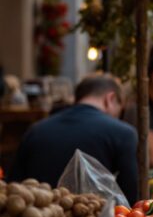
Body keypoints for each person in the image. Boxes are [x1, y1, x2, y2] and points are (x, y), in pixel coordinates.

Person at [10, 73, 138, 202]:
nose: (118, 116)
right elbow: (129, 199)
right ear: (110, 98)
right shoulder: (124, 133)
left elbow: (13, 185)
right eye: (120, 109)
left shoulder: (35, 130)